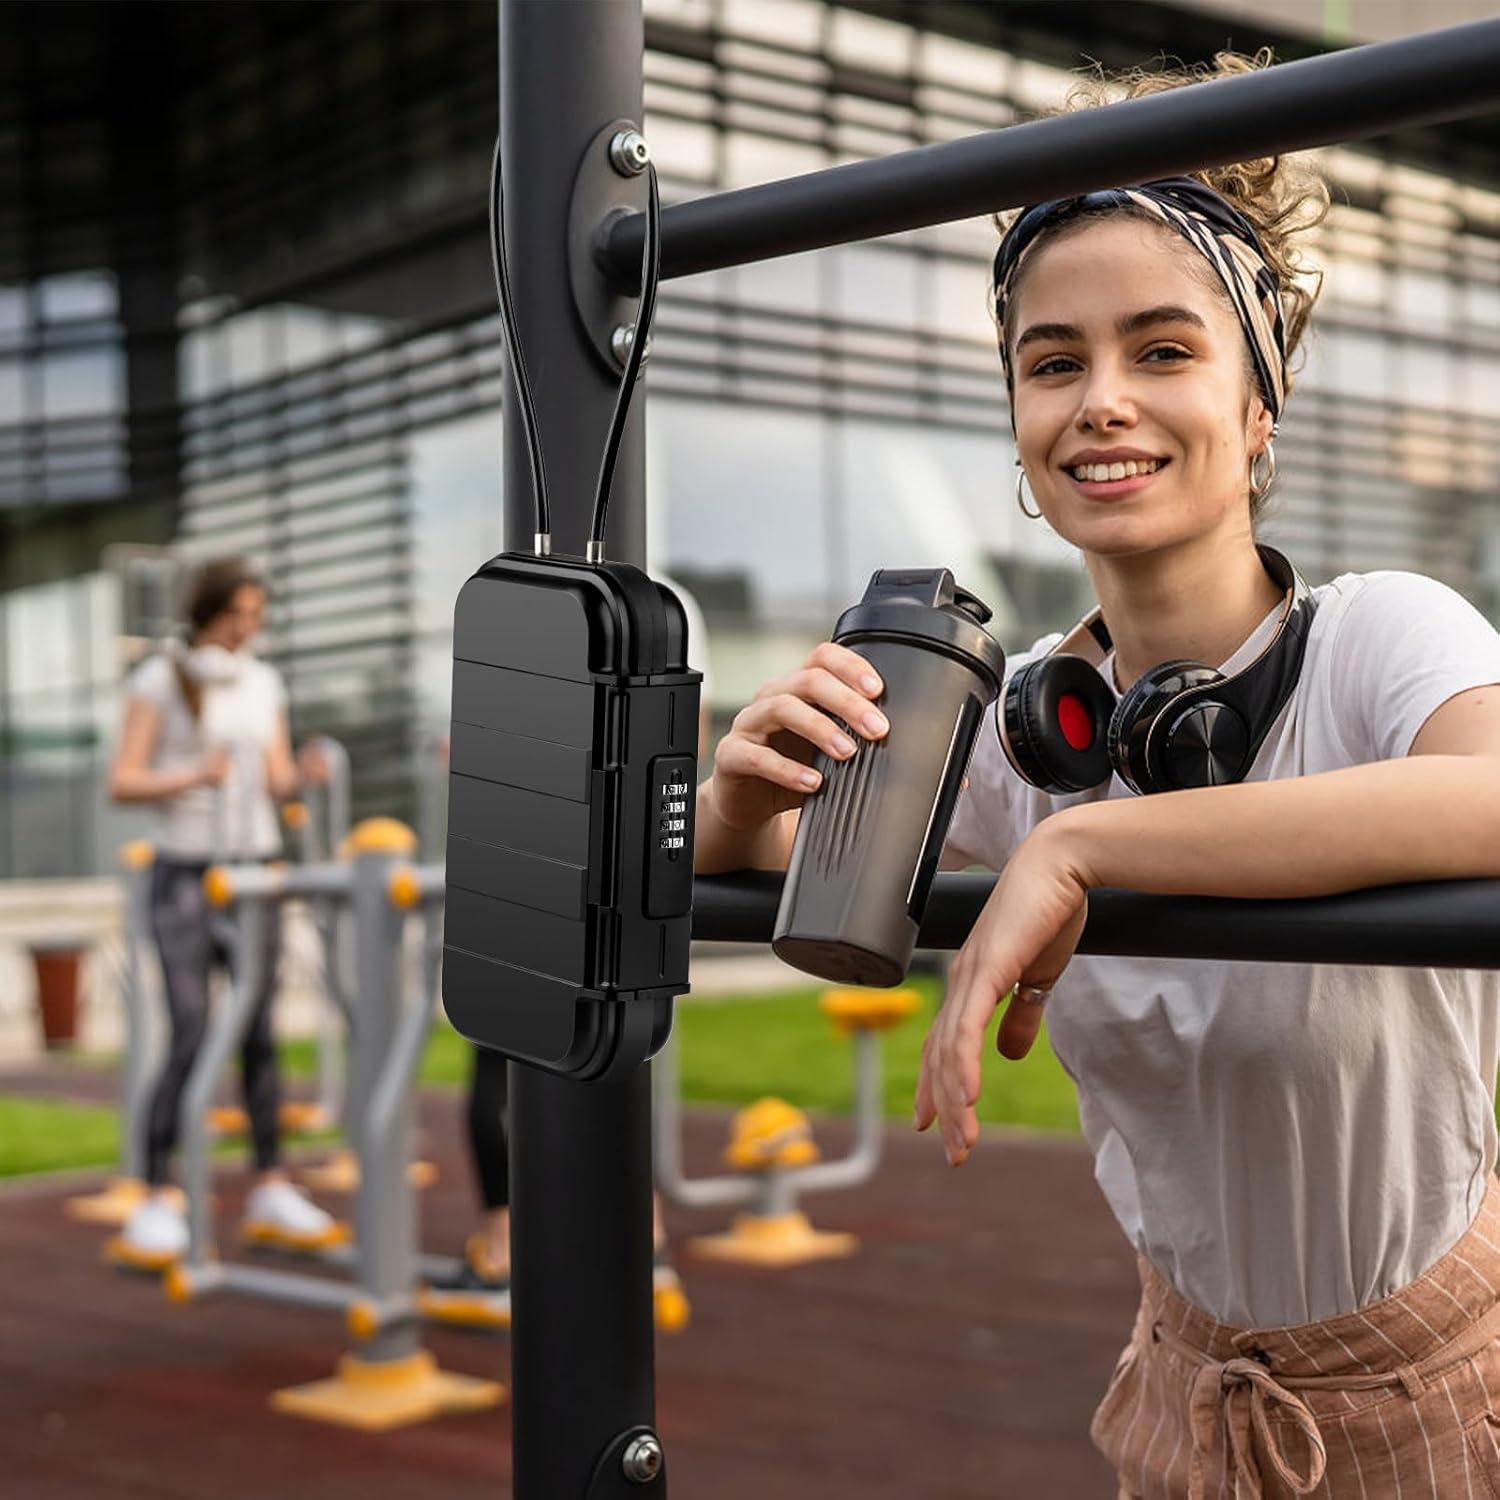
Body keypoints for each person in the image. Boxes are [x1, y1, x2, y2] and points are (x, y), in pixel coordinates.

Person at [694, 48, 1500, 1500]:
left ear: (1260, 406)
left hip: (1442, 1381)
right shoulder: (1023, 723)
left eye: (1164, 351)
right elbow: (778, 876)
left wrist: (1082, 853)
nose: (1102, 401)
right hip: (1181, 1388)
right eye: (1054, 362)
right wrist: (740, 802)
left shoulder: (1383, 634)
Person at [428, 569, 713, 1325]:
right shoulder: (658, 606)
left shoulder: (557, 604)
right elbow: (681, 736)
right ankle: (640, 1241)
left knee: (516, 1052)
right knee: (612, 1045)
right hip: (593, 852)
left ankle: (510, 1245)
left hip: (548, 851)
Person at [109, 556, 337, 1259]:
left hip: (254, 870)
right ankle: (156, 1192)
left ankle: (270, 1184)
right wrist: (193, 775)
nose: (246, 628)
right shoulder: (159, 680)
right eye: (237, 615)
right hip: (185, 871)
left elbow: (276, 779)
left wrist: (302, 775)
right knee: (190, 1029)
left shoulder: (263, 681)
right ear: (207, 612)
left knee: (259, 1033)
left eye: (256, 617)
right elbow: (122, 781)